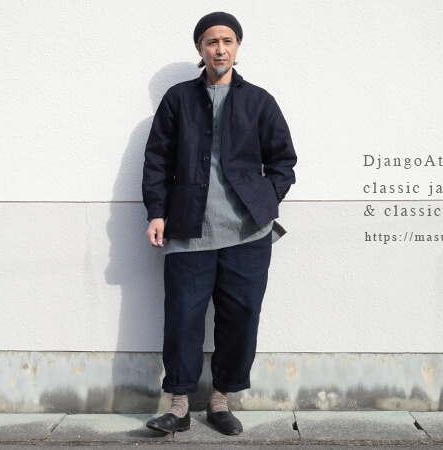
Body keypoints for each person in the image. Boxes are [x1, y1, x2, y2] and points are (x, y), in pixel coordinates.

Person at [141, 11, 297, 436]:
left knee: (241, 317)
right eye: (212, 41)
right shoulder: (178, 99)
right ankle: (178, 406)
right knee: (183, 318)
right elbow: (157, 160)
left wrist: (263, 200)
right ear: (200, 48)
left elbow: (283, 160)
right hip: (188, 228)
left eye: (228, 40)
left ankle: (220, 401)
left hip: (248, 233)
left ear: (238, 46)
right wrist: (156, 212)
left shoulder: (259, 101)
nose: (220, 49)